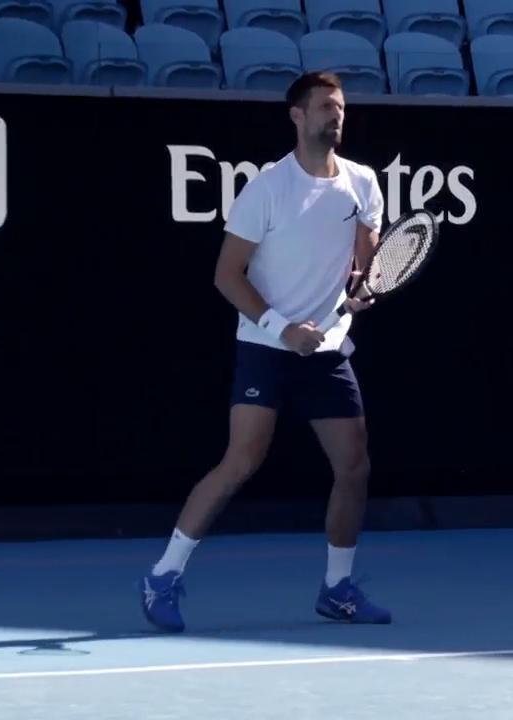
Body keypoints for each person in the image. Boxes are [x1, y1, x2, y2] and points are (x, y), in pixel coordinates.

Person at [139, 71, 391, 631]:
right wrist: (282, 328)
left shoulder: (364, 184)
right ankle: (163, 574)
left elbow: (367, 265)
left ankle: (337, 588)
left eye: (341, 106)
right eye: (325, 106)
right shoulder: (267, 189)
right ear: (297, 116)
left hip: (327, 349)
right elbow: (227, 276)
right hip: (266, 346)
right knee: (241, 462)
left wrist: (363, 290)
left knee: (354, 466)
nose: (337, 115)